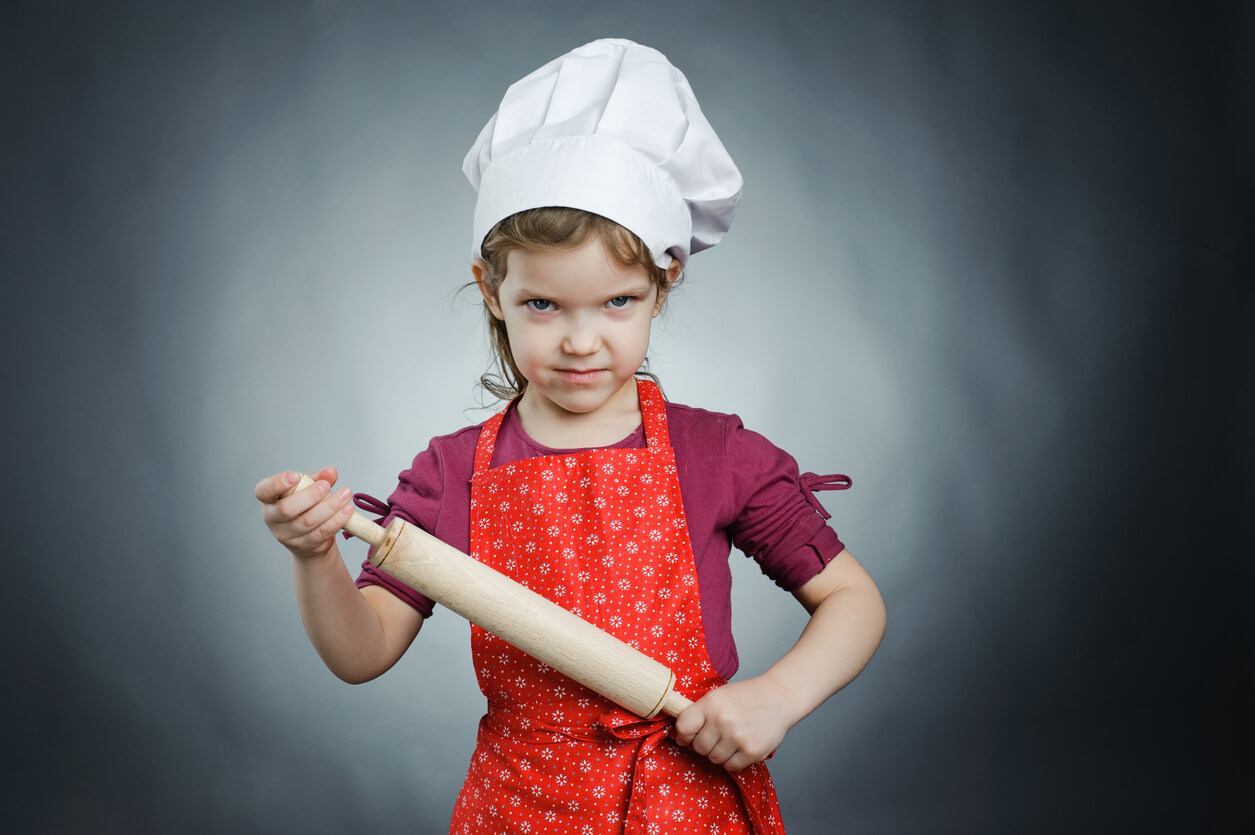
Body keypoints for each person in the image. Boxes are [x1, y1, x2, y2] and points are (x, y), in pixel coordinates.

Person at [255, 38, 886, 834]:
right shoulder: (454, 472)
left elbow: (852, 600)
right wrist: (313, 554)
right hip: (519, 806)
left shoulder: (715, 454)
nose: (581, 341)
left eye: (617, 302)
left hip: (687, 805)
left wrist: (777, 696)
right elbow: (361, 654)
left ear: (666, 281)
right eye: (543, 306)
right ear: (492, 290)